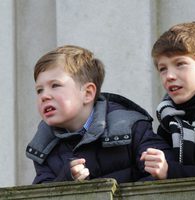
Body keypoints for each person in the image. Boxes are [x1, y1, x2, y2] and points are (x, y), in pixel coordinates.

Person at [26, 45, 173, 184]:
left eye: (55, 85)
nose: (44, 96)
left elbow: (162, 176)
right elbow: (41, 192)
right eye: (39, 90)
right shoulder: (43, 145)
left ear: (88, 93)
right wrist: (65, 181)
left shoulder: (130, 127)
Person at [141, 22, 195, 179]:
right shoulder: (168, 123)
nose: (169, 76)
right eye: (163, 69)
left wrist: (170, 171)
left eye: (180, 64)